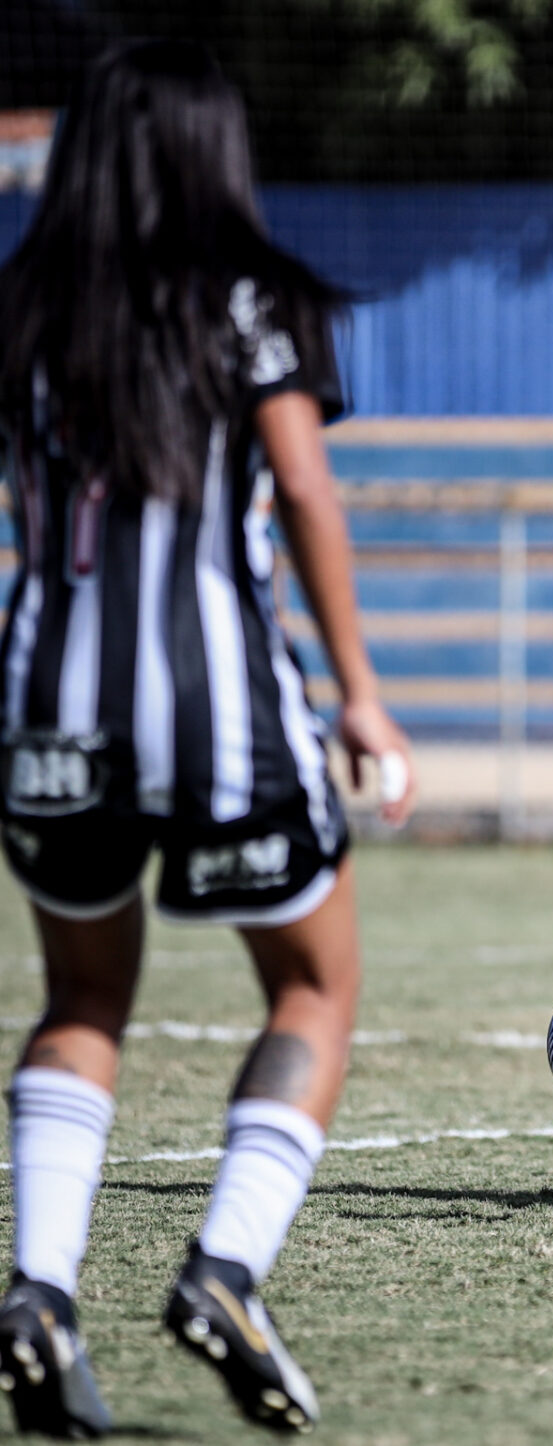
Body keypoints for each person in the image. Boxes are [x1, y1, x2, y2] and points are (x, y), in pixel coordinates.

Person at [0, 41, 416, 1435]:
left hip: (50, 705)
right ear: (210, 157)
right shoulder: (258, 299)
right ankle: (226, 1268)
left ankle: (40, 1294)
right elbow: (301, 486)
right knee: (312, 989)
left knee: (80, 1001)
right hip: (224, 708)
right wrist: (358, 689)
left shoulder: (24, 306)